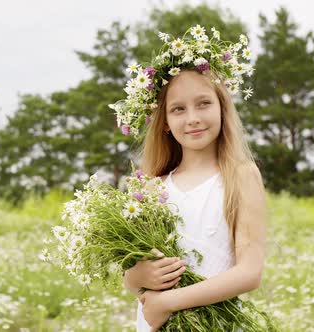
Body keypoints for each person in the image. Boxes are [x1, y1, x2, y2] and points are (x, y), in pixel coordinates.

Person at [113, 25, 268, 331]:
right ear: (166, 122)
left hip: (215, 324)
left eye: (203, 103)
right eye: (179, 109)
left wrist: (168, 302)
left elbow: (249, 273)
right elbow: (131, 276)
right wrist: (138, 277)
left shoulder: (240, 175)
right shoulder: (150, 187)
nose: (193, 118)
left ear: (222, 108)